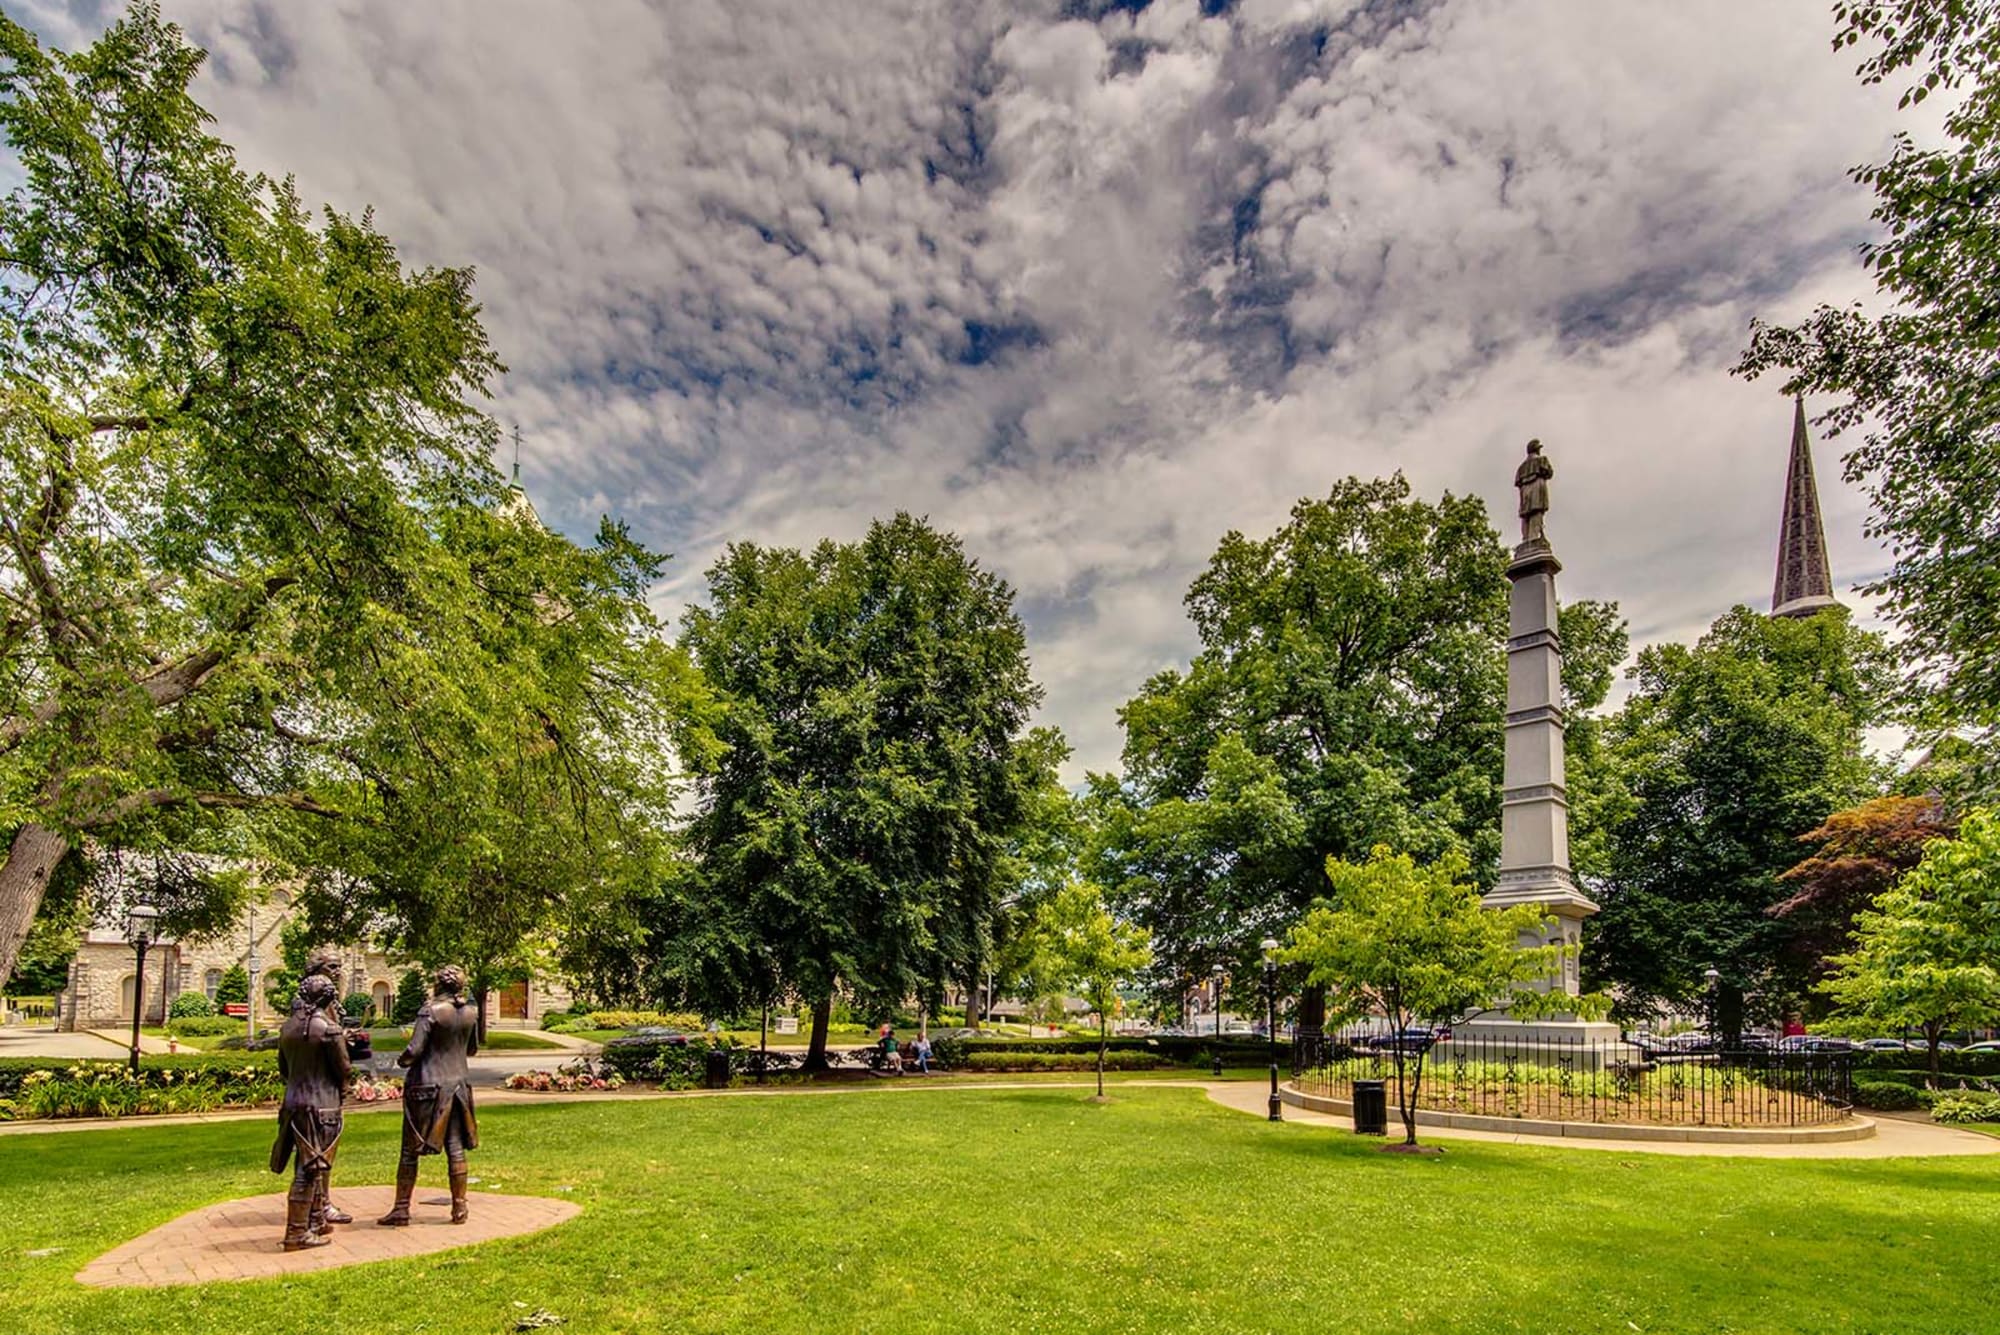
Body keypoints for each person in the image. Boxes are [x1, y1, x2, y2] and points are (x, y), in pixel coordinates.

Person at [377, 965, 481, 1227]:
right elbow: (472, 1049)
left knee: (409, 1151)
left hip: (426, 1088)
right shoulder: (471, 1012)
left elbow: (414, 1050)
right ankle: (459, 1208)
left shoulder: (430, 1011)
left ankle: (401, 1209)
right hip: (458, 1086)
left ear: (439, 984)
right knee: (455, 1148)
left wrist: (399, 1061)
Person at [270, 974, 350, 1251]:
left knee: (308, 1167)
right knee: (309, 1169)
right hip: (321, 1105)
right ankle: (296, 1233)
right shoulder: (328, 1029)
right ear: (328, 998)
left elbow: (283, 1069)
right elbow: (344, 1068)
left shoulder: (287, 1027)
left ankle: (315, 1222)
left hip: (293, 1104)